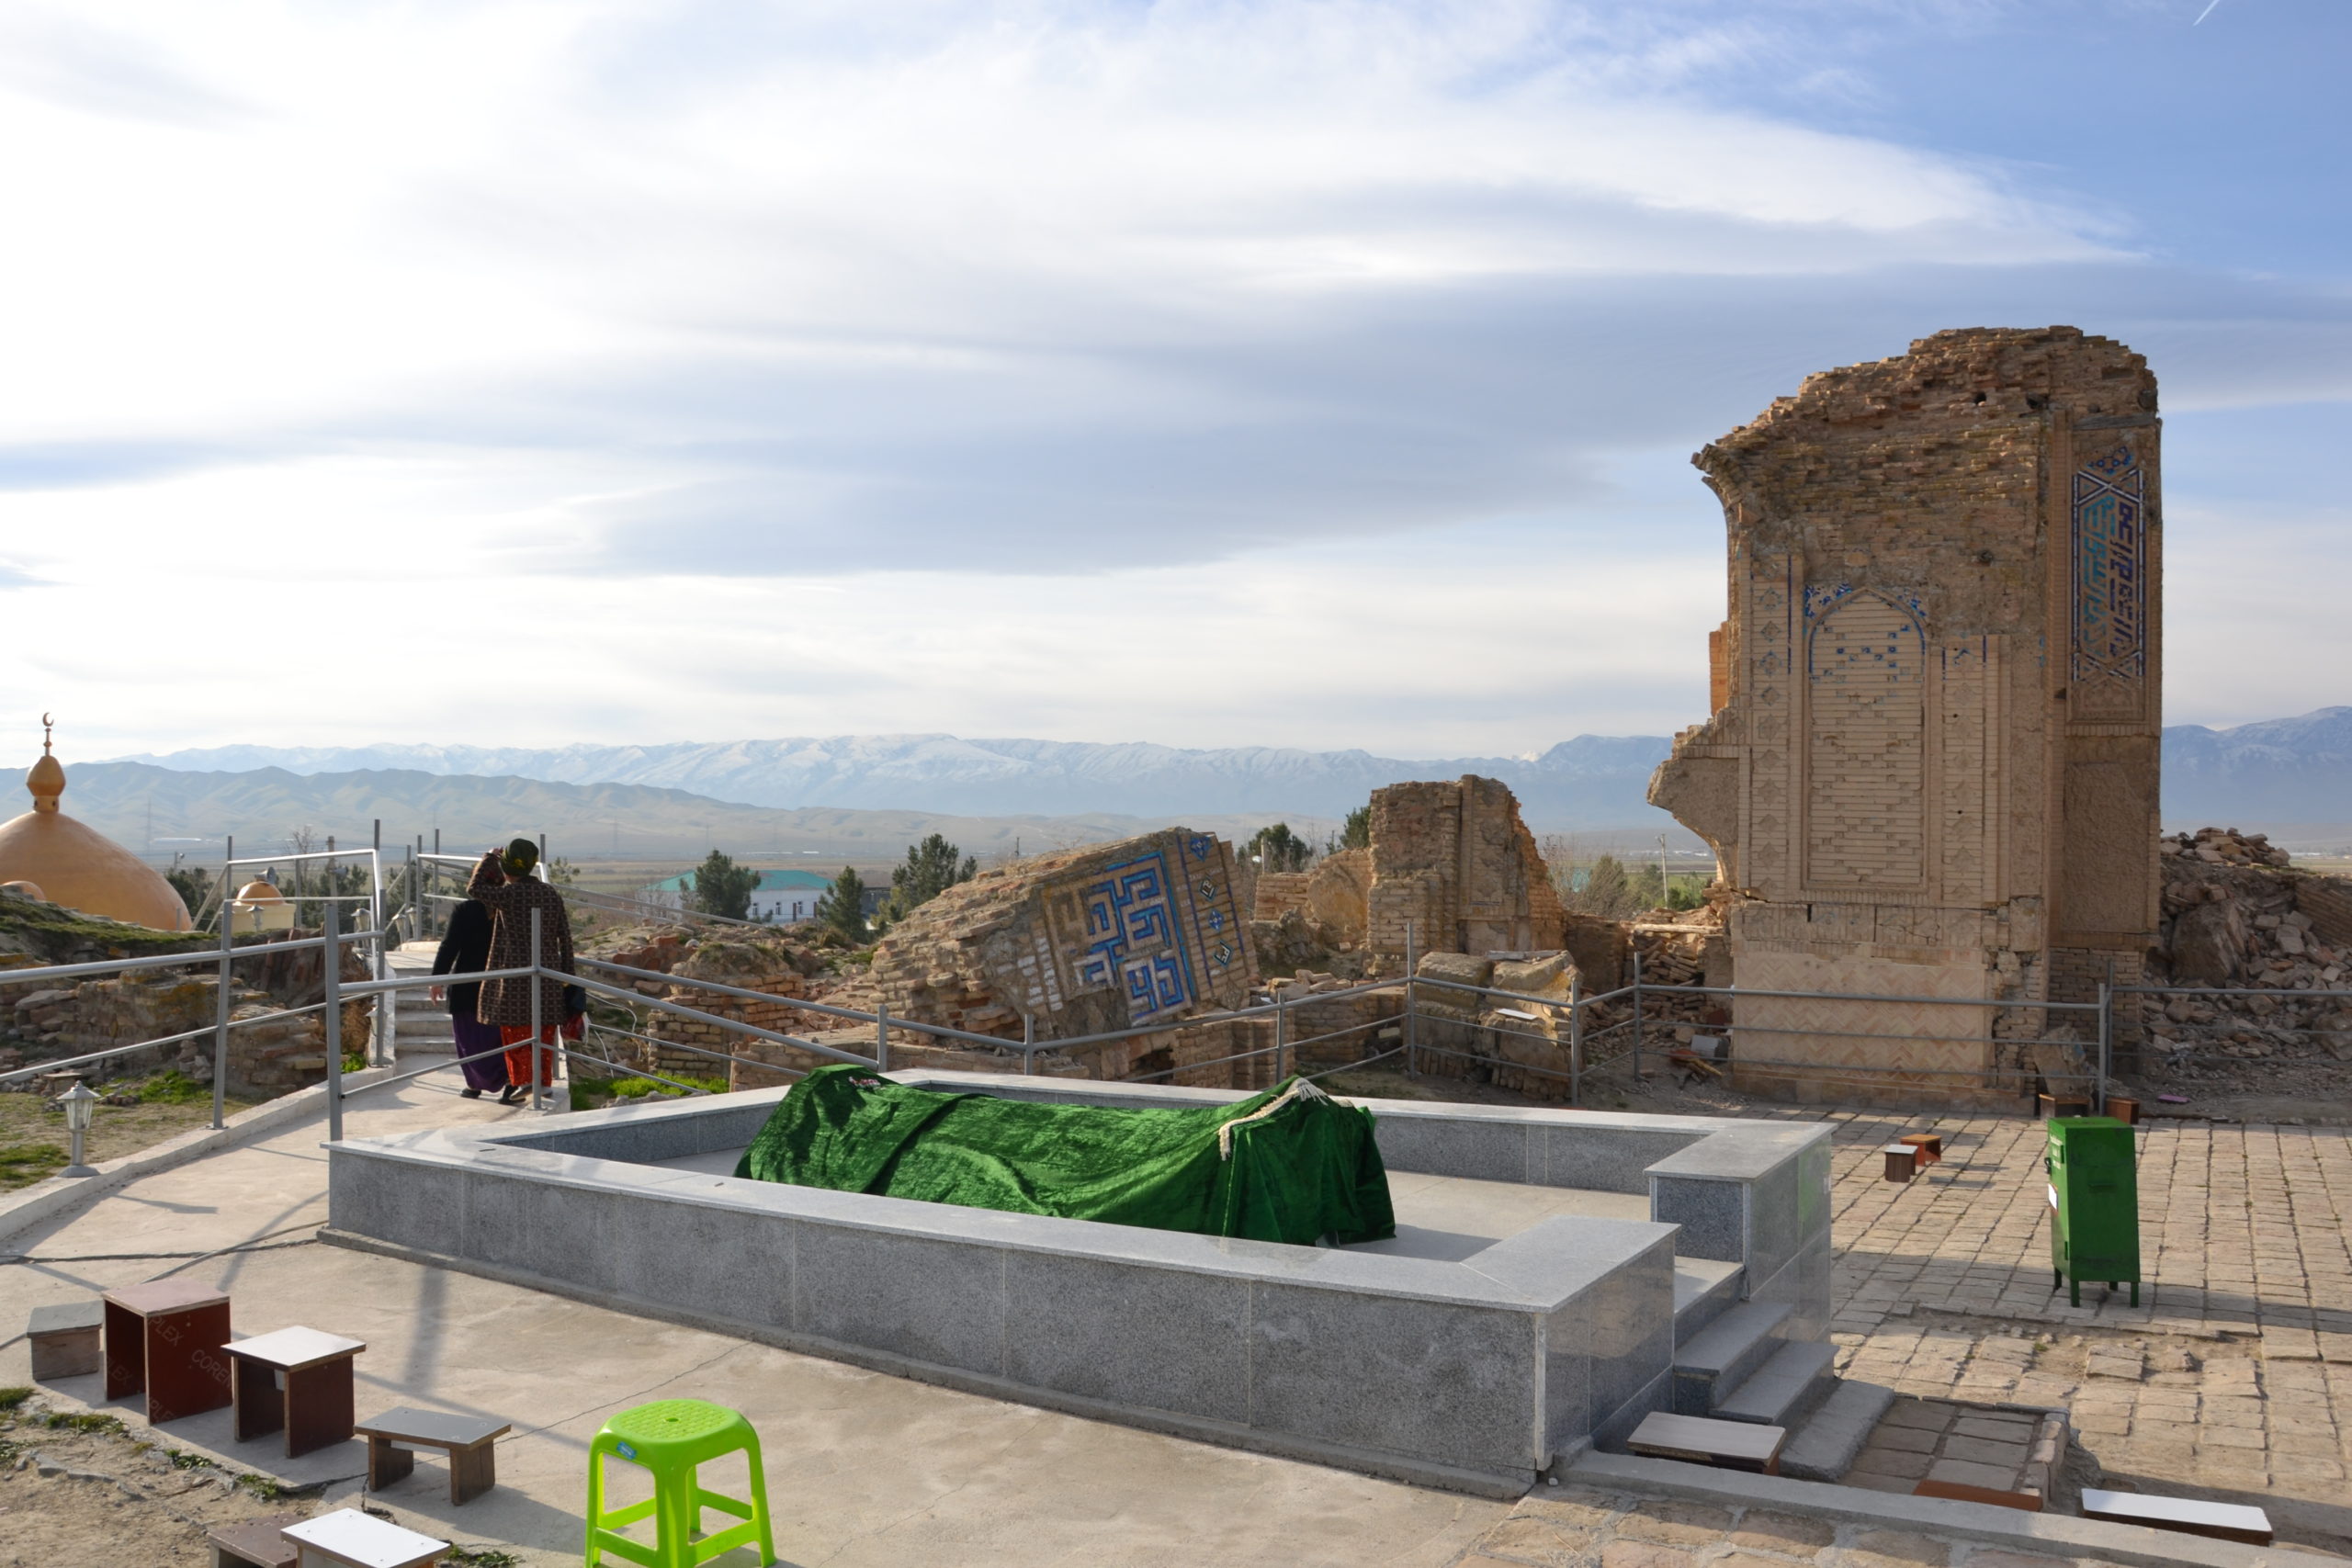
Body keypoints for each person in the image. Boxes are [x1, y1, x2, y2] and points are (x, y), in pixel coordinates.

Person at [467, 838, 581, 1107]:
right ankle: (543, 1082)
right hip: (549, 975)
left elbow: (474, 888)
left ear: (507, 867)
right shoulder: (550, 893)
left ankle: (526, 1081)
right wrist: (568, 976)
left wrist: (488, 858)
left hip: (515, 977)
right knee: (544, 1031)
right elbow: (565, 936)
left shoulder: (509, 895)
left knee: (515, 1031)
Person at [430, 866, 510, 1100]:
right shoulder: (510, 908)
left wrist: (438, 978)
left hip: (467, 983)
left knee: (468, 1036)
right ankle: (509, 1081)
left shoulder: (466, 910)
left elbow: (450, 945)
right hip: (501, 984)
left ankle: (475, 1084)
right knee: (499, 1037)